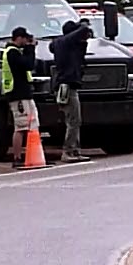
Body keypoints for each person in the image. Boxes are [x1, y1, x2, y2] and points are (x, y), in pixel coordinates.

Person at [50, 19, 94, 163]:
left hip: (68, 86)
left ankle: (74, 150)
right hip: (67, 86)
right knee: (74, 120)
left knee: (74, 120)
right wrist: (84, 25)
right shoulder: (64, 43)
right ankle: (68, 150)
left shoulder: (67, 47)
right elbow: (80, 31)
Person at [1, 27, 38, 168]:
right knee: (21, 127)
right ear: (19, 38)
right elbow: (28, 65)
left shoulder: (15, 52)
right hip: (17, 94)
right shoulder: (12, 53)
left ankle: (33, 155)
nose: (26, 42)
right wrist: (31, 49)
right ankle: (17, 157)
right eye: (25, 39)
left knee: (31, 125)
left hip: (24, 93)